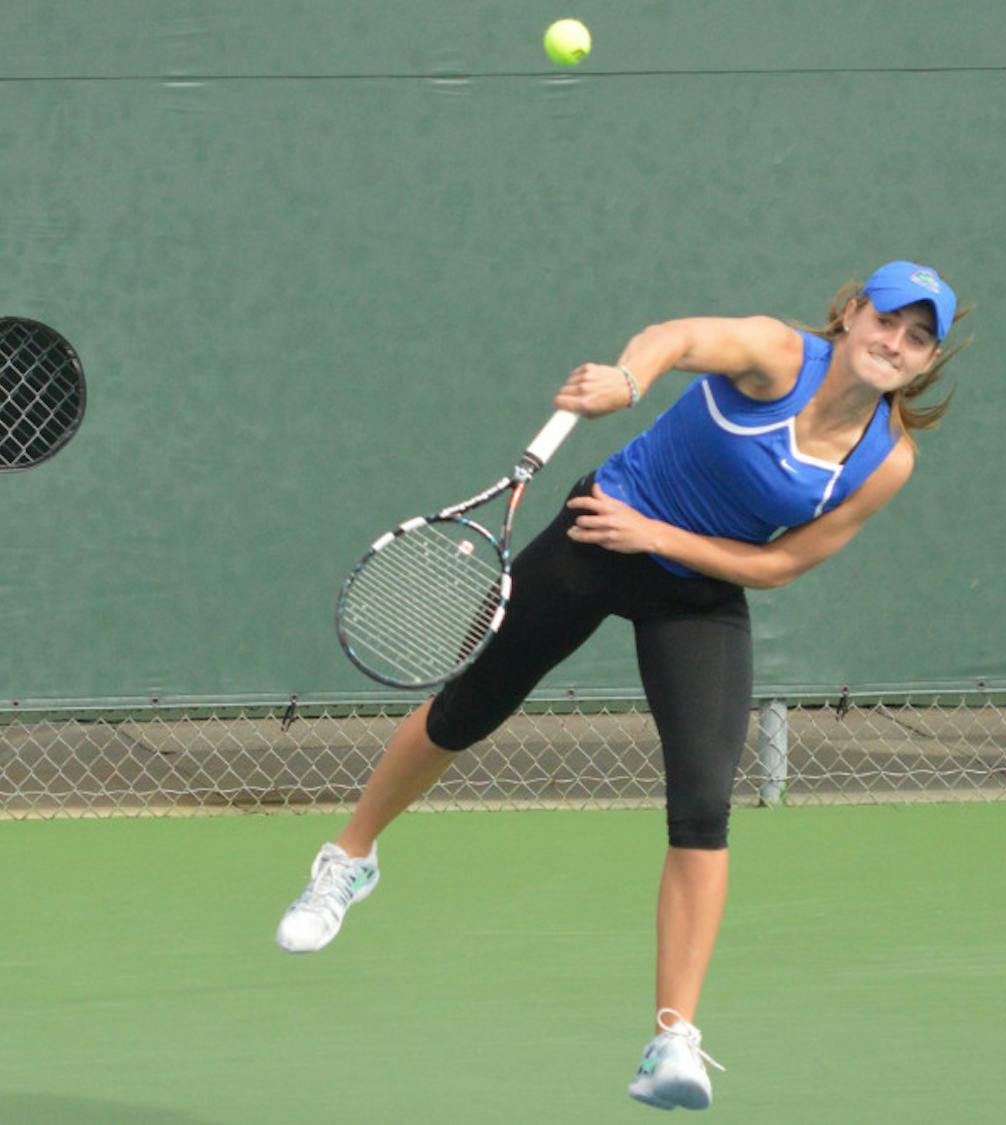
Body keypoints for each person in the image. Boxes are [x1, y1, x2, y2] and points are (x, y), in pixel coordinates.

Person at [275, 260, 964, 1110]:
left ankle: (672, 1039)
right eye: (888, 319)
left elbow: (781, 562)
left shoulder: (886, 461)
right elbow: (679, 339)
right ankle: (348, 857)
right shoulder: (776, 353)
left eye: (918, 337)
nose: (896, 342)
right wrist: (630, 380)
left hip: (697, 591)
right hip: (596, 533)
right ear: (853, 313)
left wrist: (660, 537)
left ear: (928, 359)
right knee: (466, 710)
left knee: (704, 804)